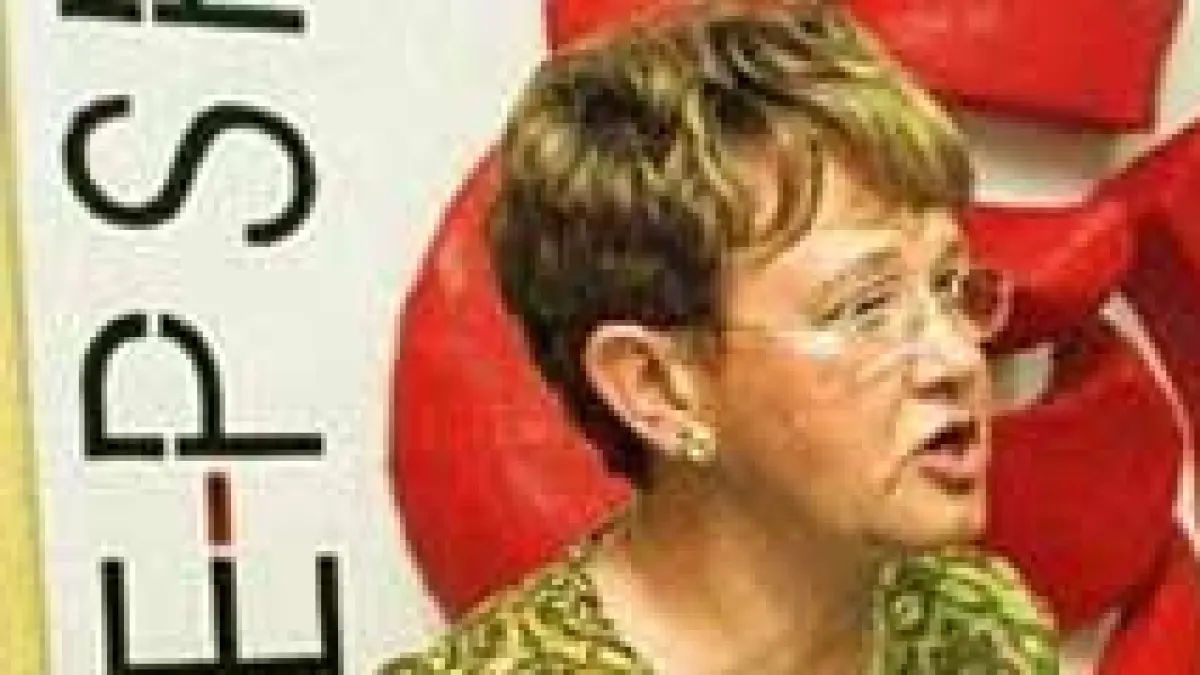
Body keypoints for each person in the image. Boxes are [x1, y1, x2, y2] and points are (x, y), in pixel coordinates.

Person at [382, 1, 1058, 672]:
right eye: (865, 307)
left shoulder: (980, 624)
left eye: (948, 284)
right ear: (656, 386)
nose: (956, 358)